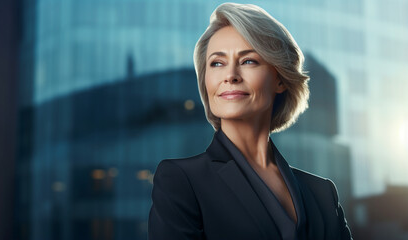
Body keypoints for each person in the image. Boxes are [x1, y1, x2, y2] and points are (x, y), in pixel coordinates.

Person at [148, 3, 352, 240]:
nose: (230, 75)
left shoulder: (323, 194)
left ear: (280, 79)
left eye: (248, 61)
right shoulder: (181, 181)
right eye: (217, 63)